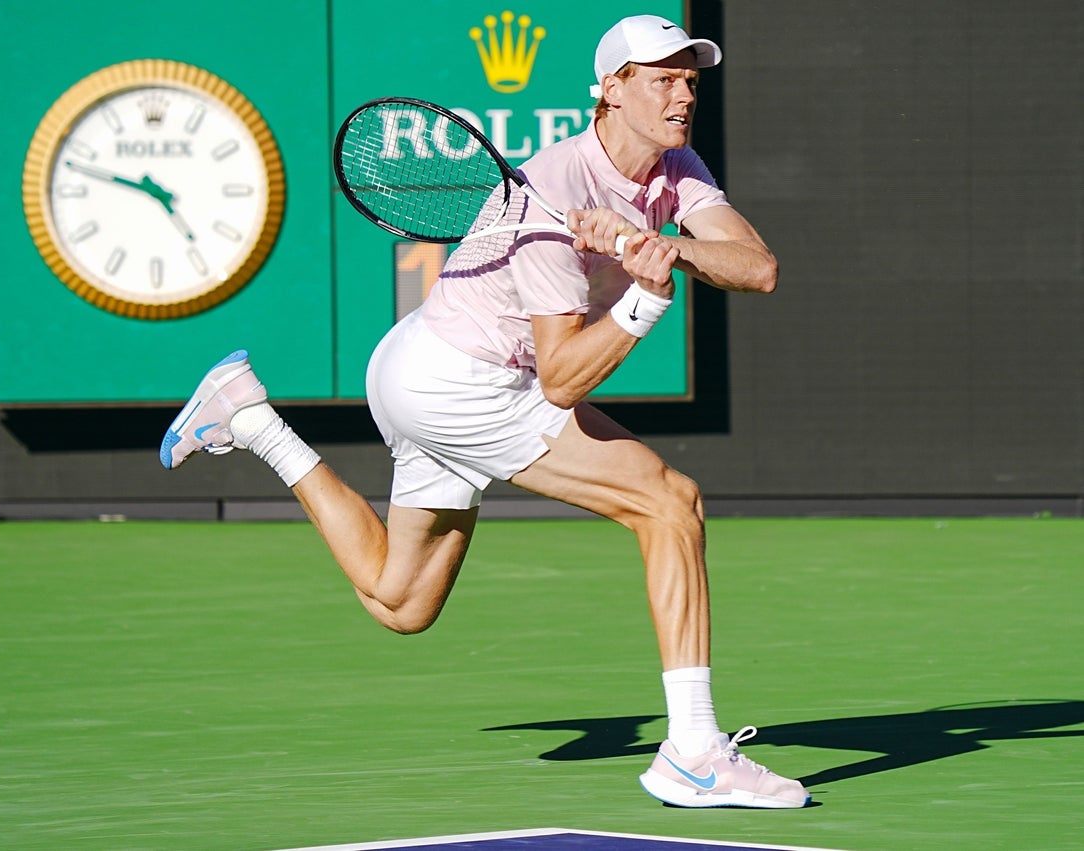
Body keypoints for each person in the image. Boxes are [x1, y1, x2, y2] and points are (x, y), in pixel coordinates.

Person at [160, 14, 809, 810]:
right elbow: (563, 381)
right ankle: (694, 751)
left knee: (402, 602)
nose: (683, 96)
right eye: (662, 79)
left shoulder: (677, 166)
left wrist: (660, 245)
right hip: (460, 382)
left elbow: (757, 266)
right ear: (610, 91)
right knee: (668, 502)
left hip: (424, 363)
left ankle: (251, 417)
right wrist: (642, 301)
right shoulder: (552, 194)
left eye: (690, 80)